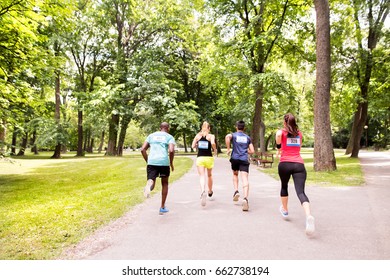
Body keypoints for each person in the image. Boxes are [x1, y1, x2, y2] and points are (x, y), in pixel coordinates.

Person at [275, 113, 315, 236]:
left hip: (285, 164)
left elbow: (278, 135)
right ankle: (308, 216)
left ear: (284, 122)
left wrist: (278, 147)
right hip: (299, 164)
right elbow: (299, 147)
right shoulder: (299, 134)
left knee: (284, 186)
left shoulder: (281, 132)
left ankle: (285, 210)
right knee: (301, 192)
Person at [140, 122, 175, 215]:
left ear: (160, 128)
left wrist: (148, 160)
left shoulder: (151, 136)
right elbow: (171, 150)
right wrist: (171, 163)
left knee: (152, 182)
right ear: (168, 128)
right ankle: (162, 207)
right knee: (164, 183)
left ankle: (149, 185)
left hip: (152, 162)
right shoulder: (169, 137)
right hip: (164, 162)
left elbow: (143, 149)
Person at [225, 120, 255, 211]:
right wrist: (246, 151)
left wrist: (228, 149)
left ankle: (236, 191)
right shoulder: (247, 138)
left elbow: (227, 137)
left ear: (236, 127)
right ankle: (245, 198)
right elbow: (252, 151)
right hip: (244, 159)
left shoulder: (233, 135)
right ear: (244, 128)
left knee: (235, 174)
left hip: (234, 158)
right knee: (245, 178)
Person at [191, 121, 217, 207]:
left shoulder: (198, 136)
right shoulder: (211, 136)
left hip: (200, 158)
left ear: (202, 127)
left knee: (202, 176)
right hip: (209, 158)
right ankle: (210, 191)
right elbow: (213, 143)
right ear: (209, 128)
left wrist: (197, 144)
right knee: (209, 175)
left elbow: (193, 146)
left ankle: (203, 191)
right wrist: (215, 149)